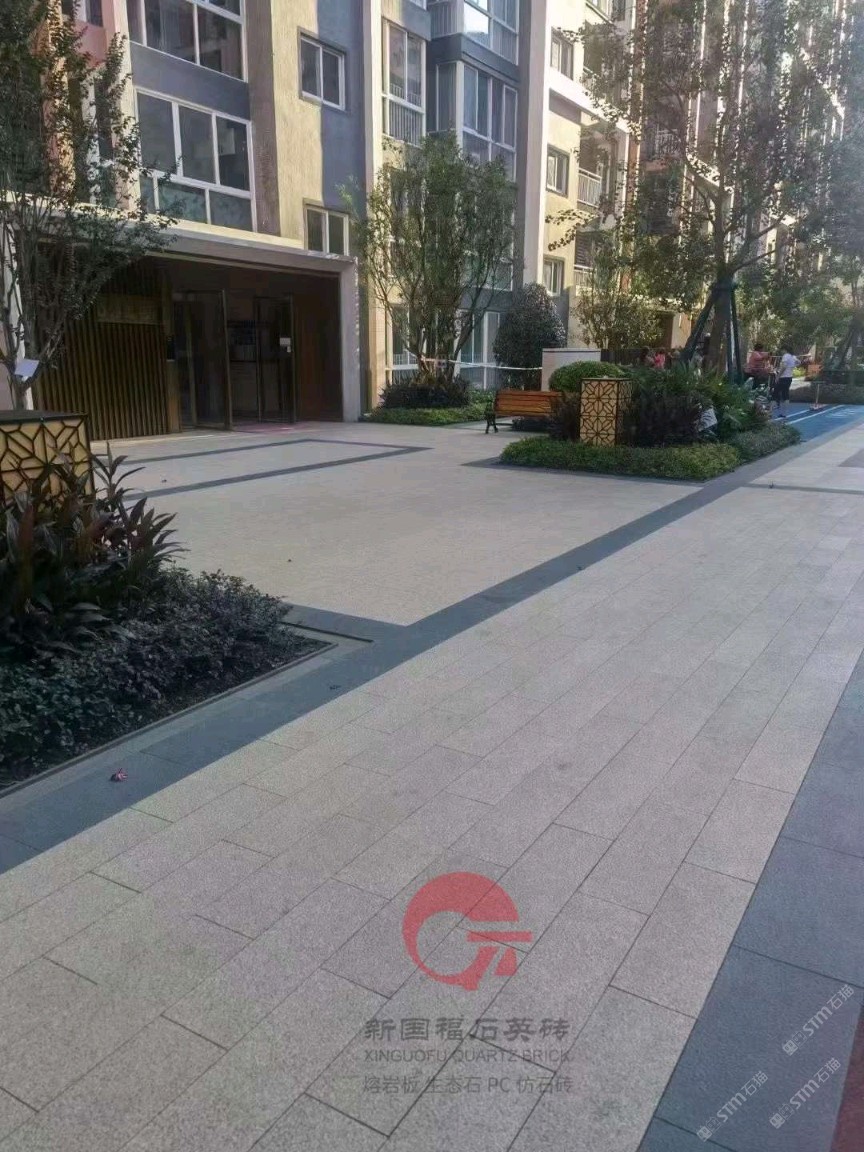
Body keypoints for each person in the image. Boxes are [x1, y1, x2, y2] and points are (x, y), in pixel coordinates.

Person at [774, 345, 799, 419]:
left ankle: (769, 411)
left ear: (784, 350)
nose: (781, 352)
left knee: (775, 393)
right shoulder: (793, 357)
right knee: (785, 395)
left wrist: (778, 376)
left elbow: (784, 367)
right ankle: (784, 413)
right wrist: (792, 367)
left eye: (782, 350)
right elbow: (799, 362)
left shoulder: (785, 356)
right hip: (789, 377)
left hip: (783, 377)